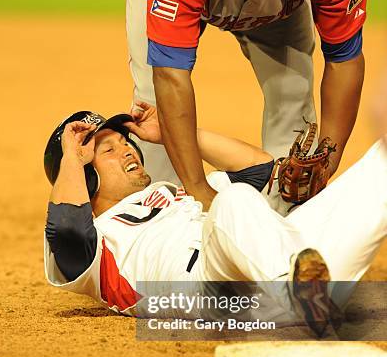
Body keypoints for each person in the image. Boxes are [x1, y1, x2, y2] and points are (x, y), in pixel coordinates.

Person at [44, 104, 386, 337]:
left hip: (287, 278)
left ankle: (304, 293)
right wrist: (71, 159)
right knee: (234, 200)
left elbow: (264, 172)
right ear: (86, 179)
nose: (128, 151)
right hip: (219, 294)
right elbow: (68, 228)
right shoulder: (99, 244)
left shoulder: (176, 196)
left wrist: (174, 132)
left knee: (381, 161)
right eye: (108, 151)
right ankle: (296, 292)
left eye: (124, 142)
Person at [124, 0, 367, 212]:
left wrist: (327, 160)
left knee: (292, 88)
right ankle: (162, 220)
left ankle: (285, 220)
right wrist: (199, 189)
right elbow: (170, 74)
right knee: (152, 100)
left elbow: (344, 58)